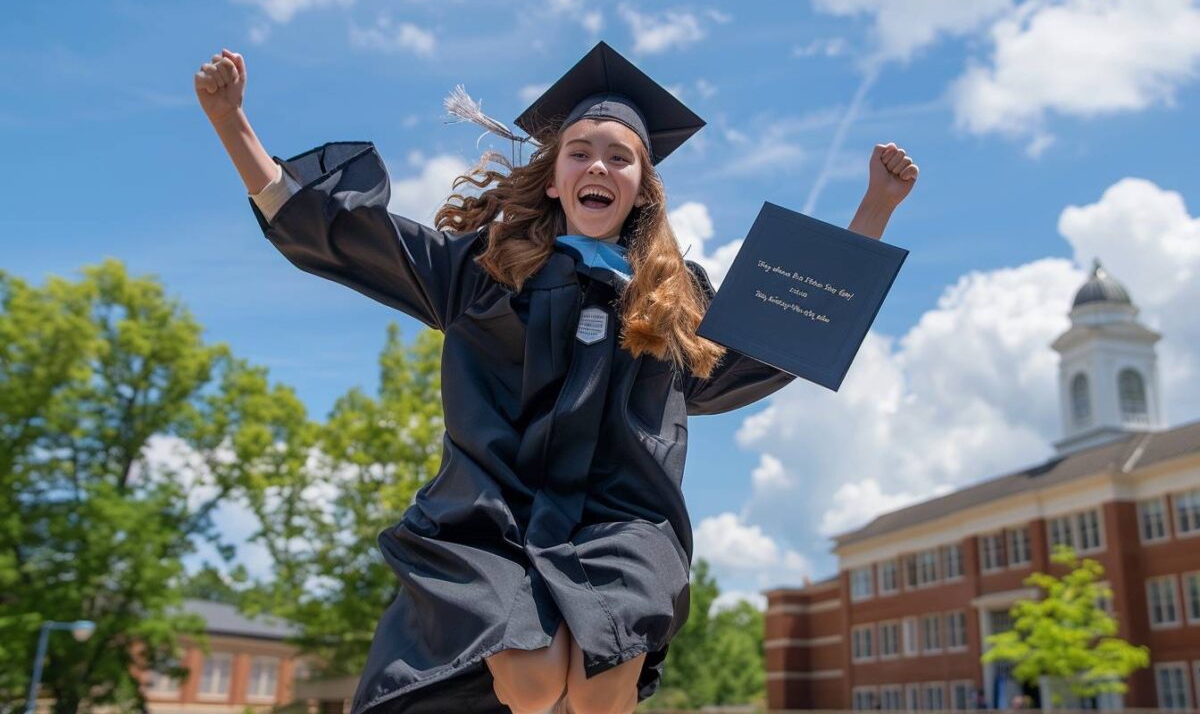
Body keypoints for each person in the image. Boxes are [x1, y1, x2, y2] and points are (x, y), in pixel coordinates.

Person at [194, 42, 919, 714]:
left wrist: (873, 209)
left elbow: (784, 334)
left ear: (643, 191)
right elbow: (350, 238)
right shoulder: (480, 271)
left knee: (602, 687)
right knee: (534, 677)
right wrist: (234, 126)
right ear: (555, 177)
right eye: (580, 152)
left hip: (624, 522)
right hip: (491, 518)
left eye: (619, 157)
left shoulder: (670, 299)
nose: (598, 166)